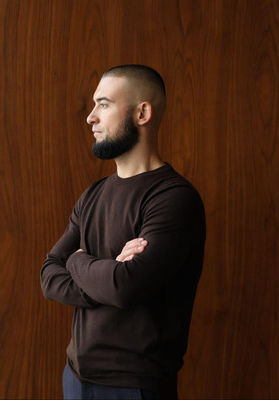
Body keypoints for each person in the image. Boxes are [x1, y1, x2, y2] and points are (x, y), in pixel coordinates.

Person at [40, 64, 206, 400]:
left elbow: (124, 286)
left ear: (142, 113)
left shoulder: (173, 198)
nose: (91, 117)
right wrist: (107, 274)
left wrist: (78, 261)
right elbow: (48, 275)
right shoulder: (93, 194)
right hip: (75, 377)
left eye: (104, 104)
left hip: (134, 385)